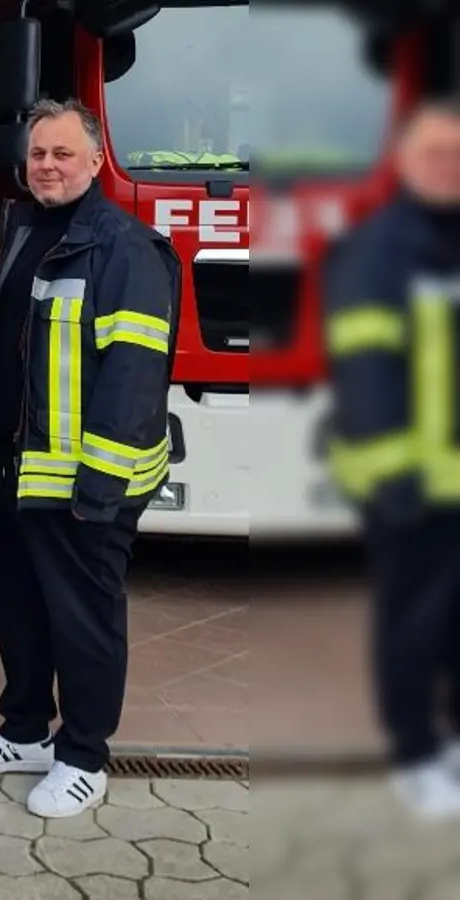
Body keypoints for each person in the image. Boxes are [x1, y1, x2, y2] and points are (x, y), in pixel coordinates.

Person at [0, 98, 179, 818]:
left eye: (61, 154)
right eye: (38, 154)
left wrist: (101, 486)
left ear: (93, 160)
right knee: (17, 611)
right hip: (9, 470)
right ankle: (25, 729)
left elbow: (133, 380)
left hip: (84, 483)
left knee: (82, 622)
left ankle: (84, 754)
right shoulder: (21, 230)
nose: (47, 166)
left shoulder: (125, 249)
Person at [323, 97, 460, 820]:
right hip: (407, 483)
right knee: (414, 623)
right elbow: (367, 376)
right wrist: (395, 483)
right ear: (406, 163)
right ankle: (413, 754)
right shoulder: (381, 249)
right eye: (434, 154)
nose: (448, 168)